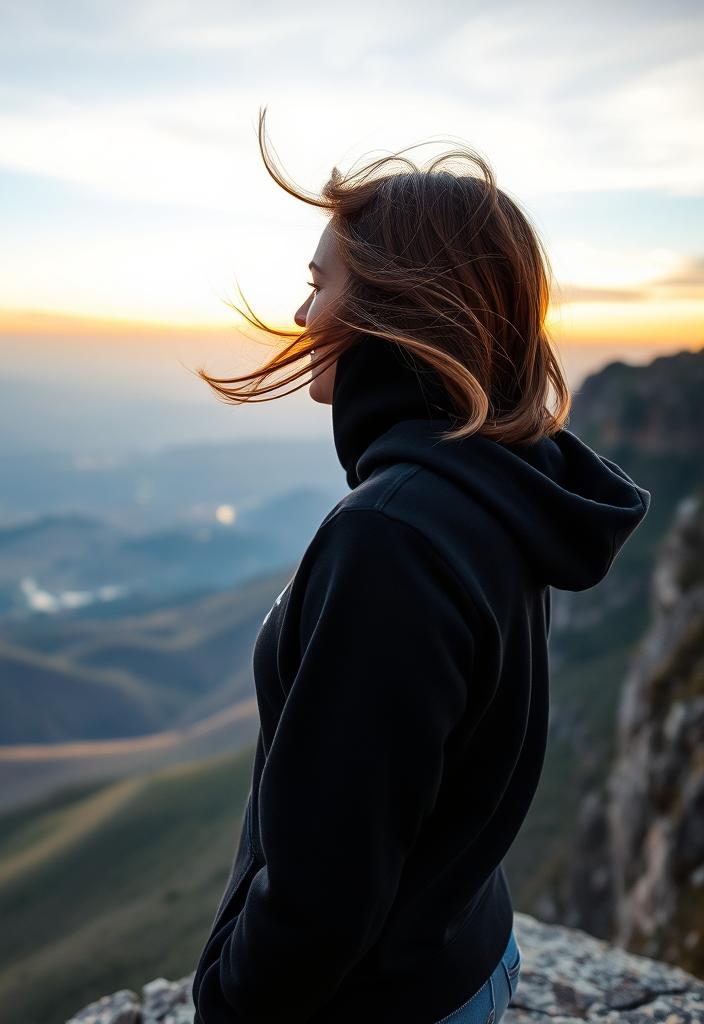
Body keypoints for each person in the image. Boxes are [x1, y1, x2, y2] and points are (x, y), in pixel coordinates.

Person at [190, 110, 652, 1024]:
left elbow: (324, 893)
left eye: (319, 285)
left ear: (388, 307)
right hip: (464, 951)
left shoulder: (392, 536)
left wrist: (228, 1007)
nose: (300, 314)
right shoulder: (499, 481)